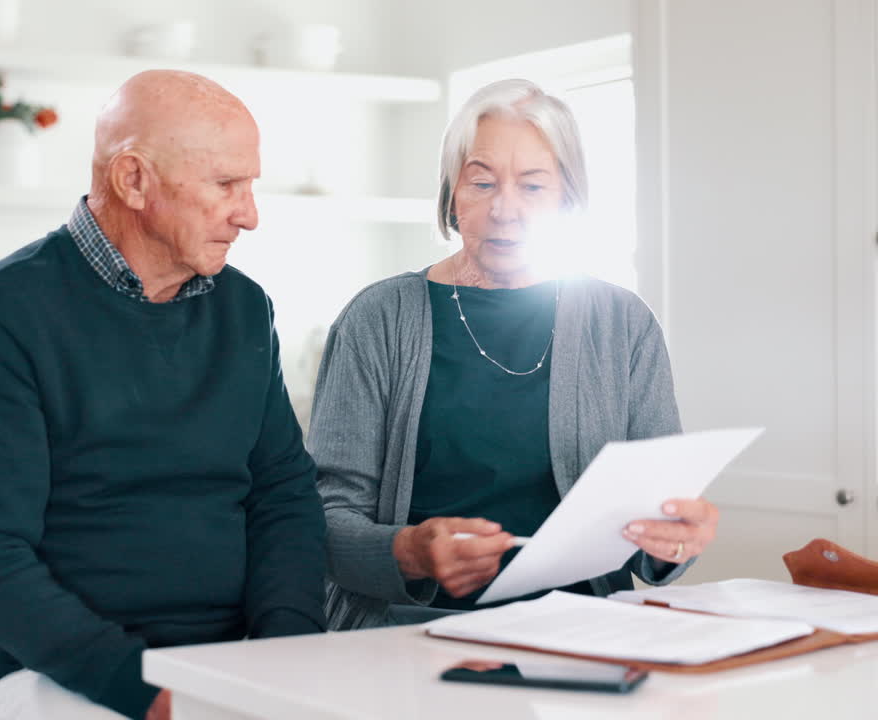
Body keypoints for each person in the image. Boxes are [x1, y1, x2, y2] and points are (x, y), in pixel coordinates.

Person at [0, 70, 327, 719]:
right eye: (226, 185)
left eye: (250, 186)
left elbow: (283, 497)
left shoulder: (245, 309)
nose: (249, 215)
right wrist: (148, 693)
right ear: (133, 179)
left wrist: (286, 657)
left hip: (224, 663)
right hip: (42, 674)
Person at [308, 78, 719, 630]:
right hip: (408, 631)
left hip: (586, 630)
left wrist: (676, 540)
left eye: (532, 186)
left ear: (567, 198)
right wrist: (408, 552)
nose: (504, 210)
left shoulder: (623, 322)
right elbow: (324, 520)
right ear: (452, 194)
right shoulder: (379, 317)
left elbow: (658, 530)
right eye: (481, 182)